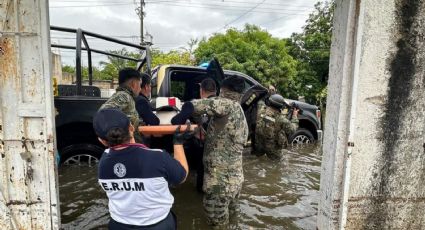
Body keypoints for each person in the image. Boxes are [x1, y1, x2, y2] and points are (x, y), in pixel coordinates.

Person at [93, 108, 192, 230]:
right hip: (157, 225)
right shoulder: (158, 157)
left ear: (101, 141)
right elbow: (182, 176)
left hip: (118, 225)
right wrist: (178, 143)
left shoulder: (103, 164)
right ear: (131, 128)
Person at [171, 76, 249, 227]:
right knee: (232, 222)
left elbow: (190, 106)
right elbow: (223, 140)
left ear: (223, 90)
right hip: (236, 183)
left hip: (219, 185)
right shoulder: (239, 110)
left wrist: (177, 120)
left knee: (217, 225)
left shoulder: (225, 103)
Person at [100, 68, 143, 142]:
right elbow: (103, 112)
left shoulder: (127, 96)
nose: (140, 89)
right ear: (134, 84)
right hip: (126, 147)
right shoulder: (123, 95)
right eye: (140, 85)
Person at [253, 94, 299, 159]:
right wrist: (295, 116)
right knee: (279, 163)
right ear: (280, 106)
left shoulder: (260, 110)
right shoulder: (281, 119)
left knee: (258, 160)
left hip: (259, 144)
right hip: (272, 149)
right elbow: (292, 129)